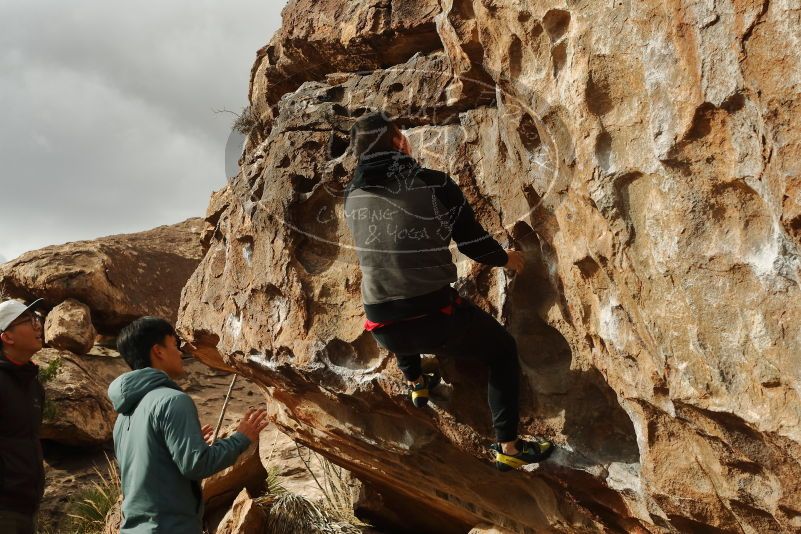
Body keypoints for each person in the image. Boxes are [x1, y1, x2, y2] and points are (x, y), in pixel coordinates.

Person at [344, 112, 554, 471]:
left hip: (383, 328)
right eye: (401, 134)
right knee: (502, 350)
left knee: (391, 296)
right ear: (397, 142)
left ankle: (416, 383)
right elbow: (472, 242)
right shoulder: (433, 183)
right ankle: (510, 448)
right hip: (434, 320)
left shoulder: (353, 196)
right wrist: (507, 259)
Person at [108, 316, 269, 533]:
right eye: (174, 345)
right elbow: (197, 465)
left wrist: (183, 445)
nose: (181, 352)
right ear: (158, 351)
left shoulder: (124, 414)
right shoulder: (173, 401)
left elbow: (146, 470)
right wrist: (241, 438)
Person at [0, 298, 46, 534]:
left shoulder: (33, 384)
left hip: (27, 507)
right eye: (29, 321)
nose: (38, 326)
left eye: (36, 319)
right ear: (7, 337)